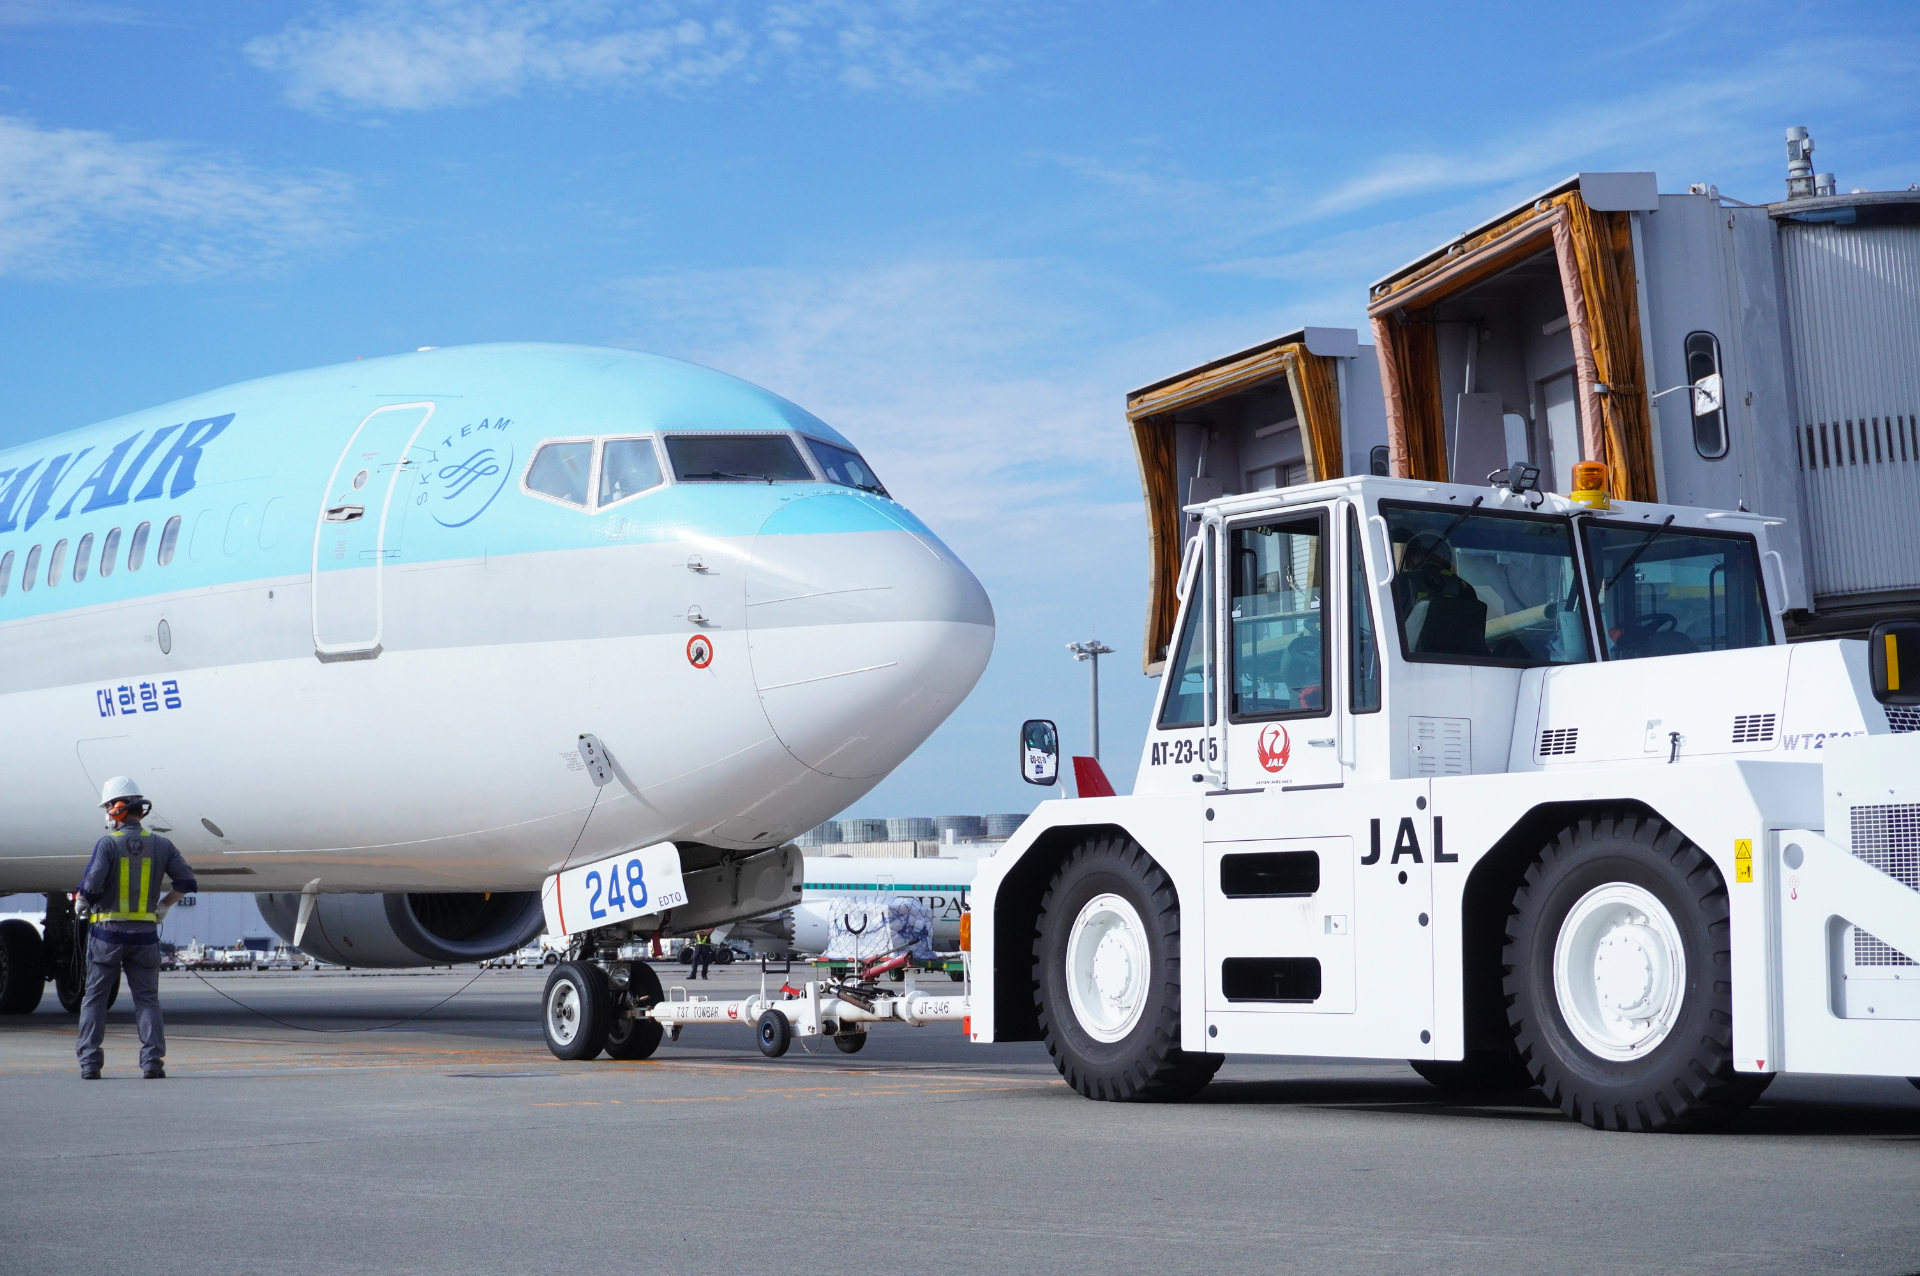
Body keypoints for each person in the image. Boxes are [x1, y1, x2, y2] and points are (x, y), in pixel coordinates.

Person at [74, 776, 195, 1080]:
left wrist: (82, 903)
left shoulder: (108, 844)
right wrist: (164, 906)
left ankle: (90, 1064)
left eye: (108, 806)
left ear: (118, 808)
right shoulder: (163, 845)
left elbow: (92, 883)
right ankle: (152, 1063)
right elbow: (186, 882)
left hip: (107, 936)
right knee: (147, 1000)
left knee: (95, 999)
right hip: (145, 937)